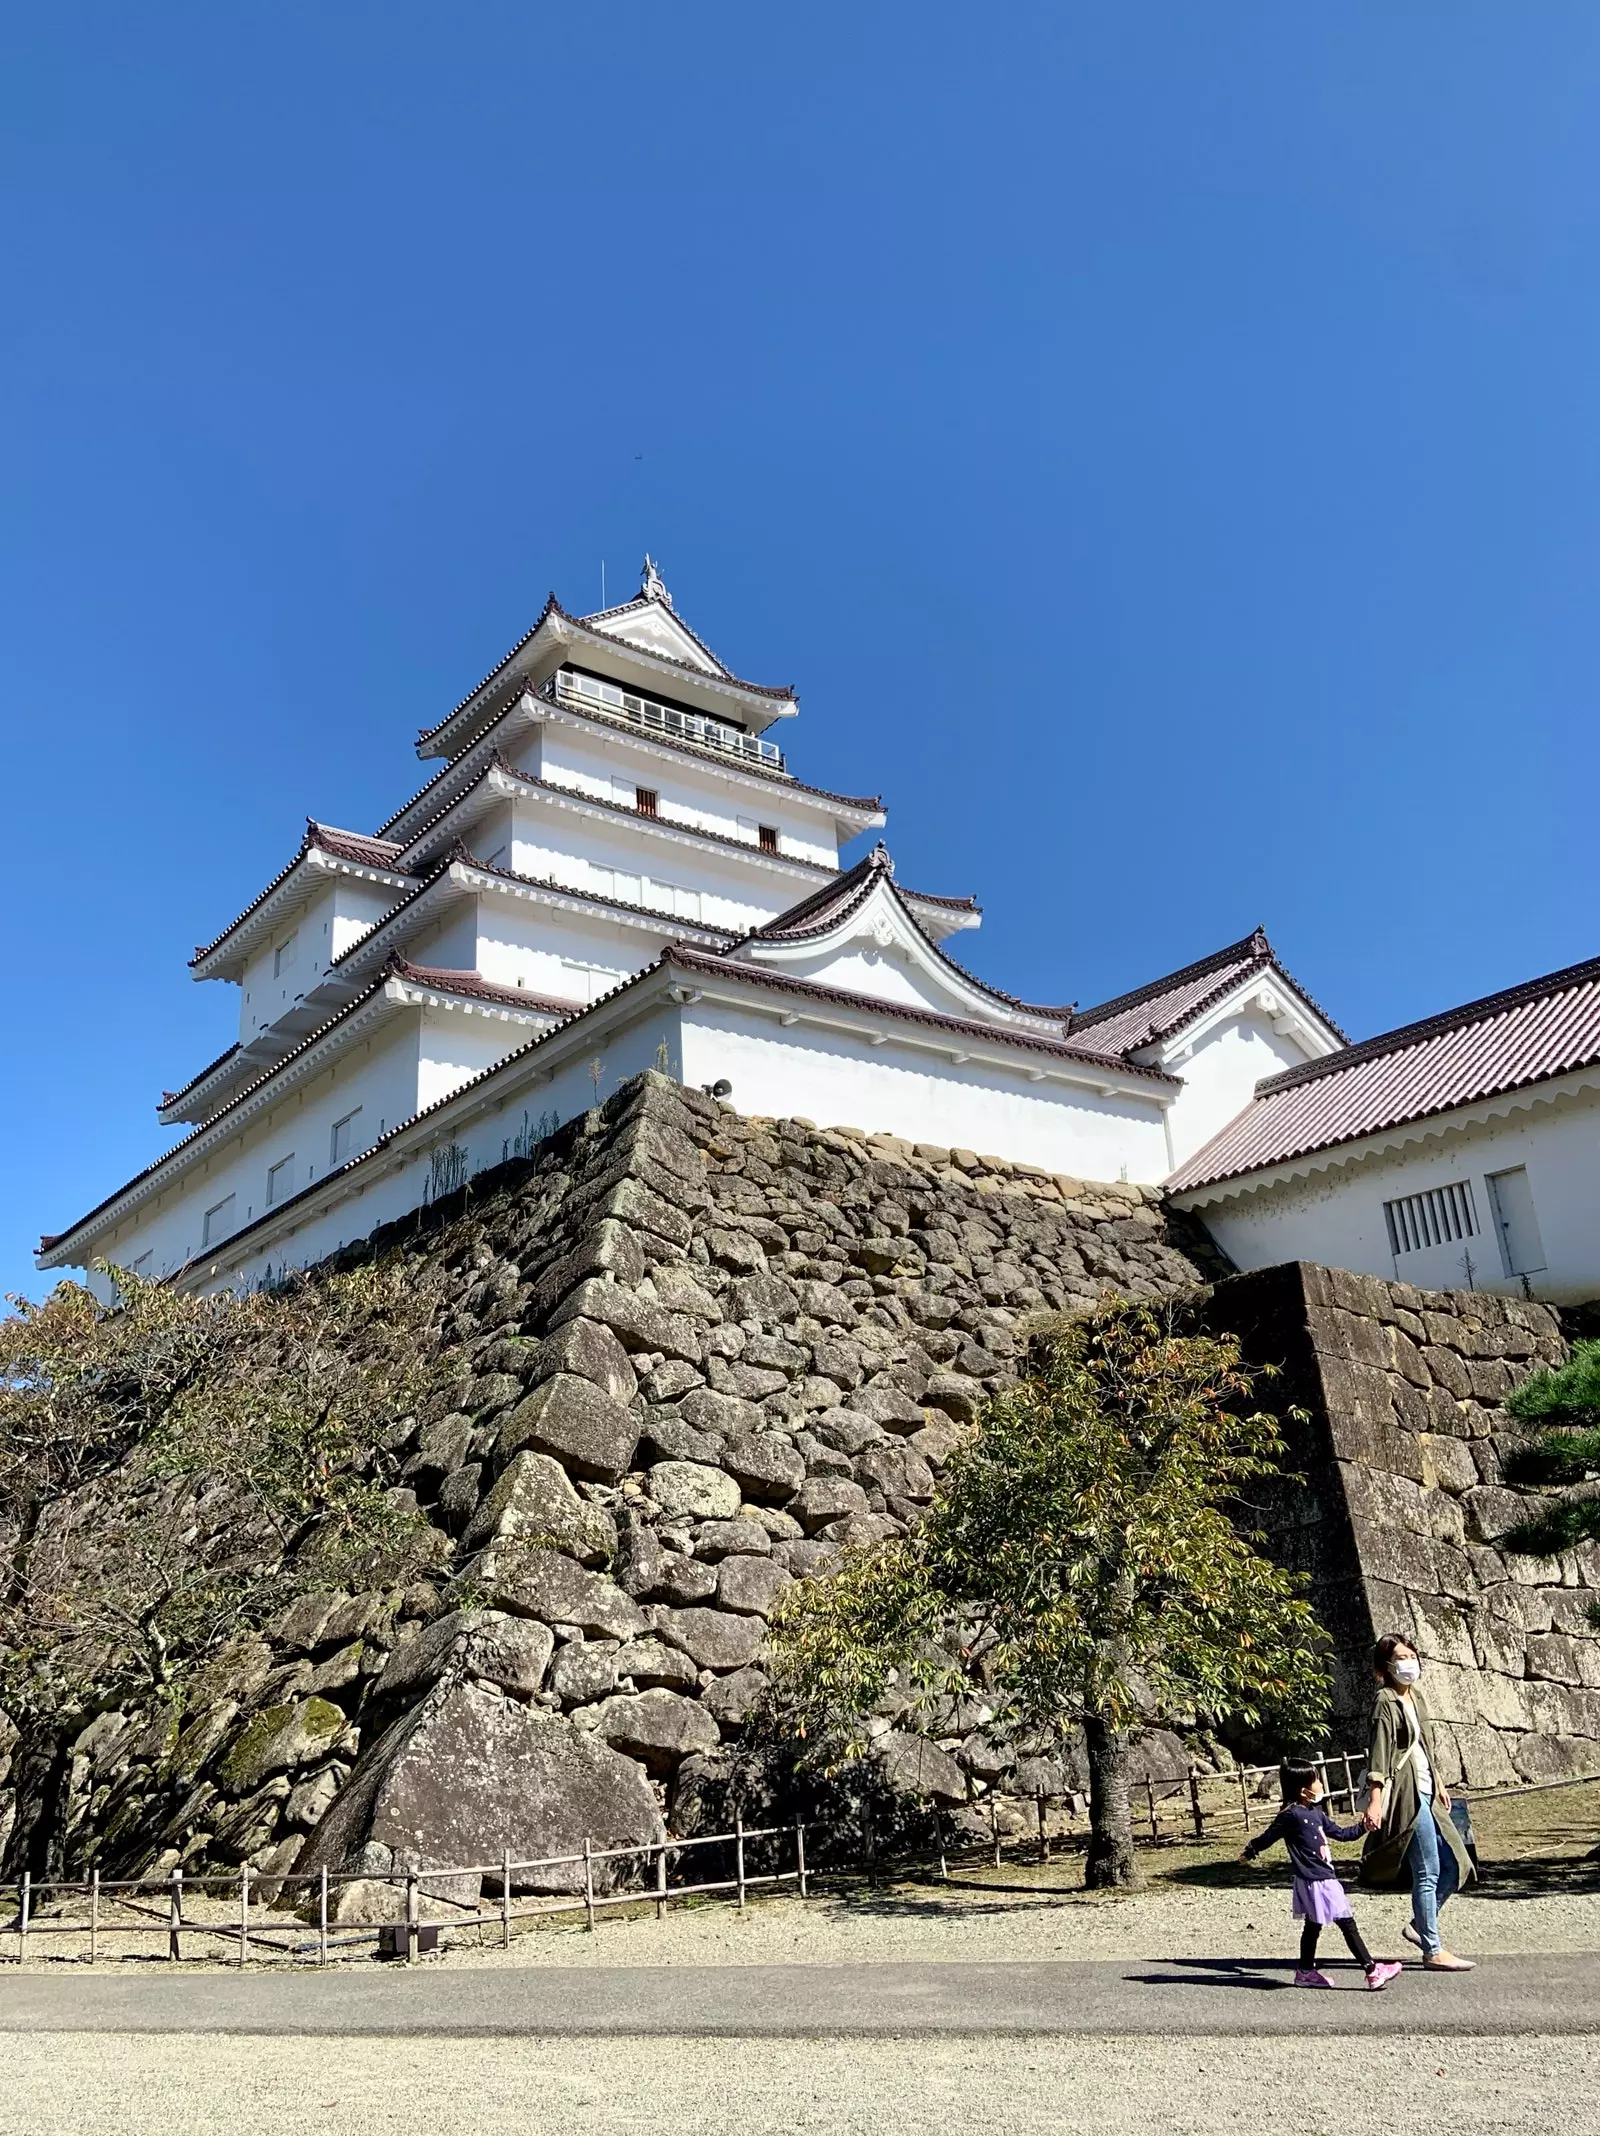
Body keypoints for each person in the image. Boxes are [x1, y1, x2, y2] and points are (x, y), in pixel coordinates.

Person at [1359, 1631, 1476, 1970]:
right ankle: (1433, 1950)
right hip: (1406, 1792)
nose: (1409, 1663)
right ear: (1386, 1666)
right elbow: (1380, 1754)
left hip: (1428, 1788)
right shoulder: (1385, 1701)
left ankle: (1419, 1925)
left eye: (1412, 1656)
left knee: (1457, 1865)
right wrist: (1376, 1800)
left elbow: (1425, 1745)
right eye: (1401, 1658)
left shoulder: (1417, 1697)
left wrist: (1439, 1782)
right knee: (1428, 1869)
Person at [1240, 1760, 1402, 1990]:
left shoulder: (1315, 1812)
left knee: (1313, 1926)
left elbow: (1342, 1834)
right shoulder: (1291, 1815)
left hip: (1321, 1878)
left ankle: (1305, 1971)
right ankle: (1372, 1971)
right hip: (1316, 1880)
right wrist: (1251, 1850)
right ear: (1303, 1790)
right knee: (1347, 1924)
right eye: (1315, 1780)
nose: (1320, 1783)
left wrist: (1364, 1827)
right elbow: (1269, 1836)